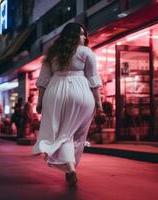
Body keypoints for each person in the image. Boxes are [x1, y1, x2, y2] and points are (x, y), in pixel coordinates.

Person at [32, 22, 102, 187]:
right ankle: (71, 165)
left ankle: (70, 168)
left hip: (55, 93)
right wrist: (98, 103)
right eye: (81, 34)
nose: (85, 37)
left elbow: (43, 81)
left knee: (63, 133)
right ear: (73, 36)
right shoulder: (86, 52)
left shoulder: (52, 54)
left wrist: (40, 102)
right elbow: (93, 80)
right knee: (76, 134)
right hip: (81, 93)